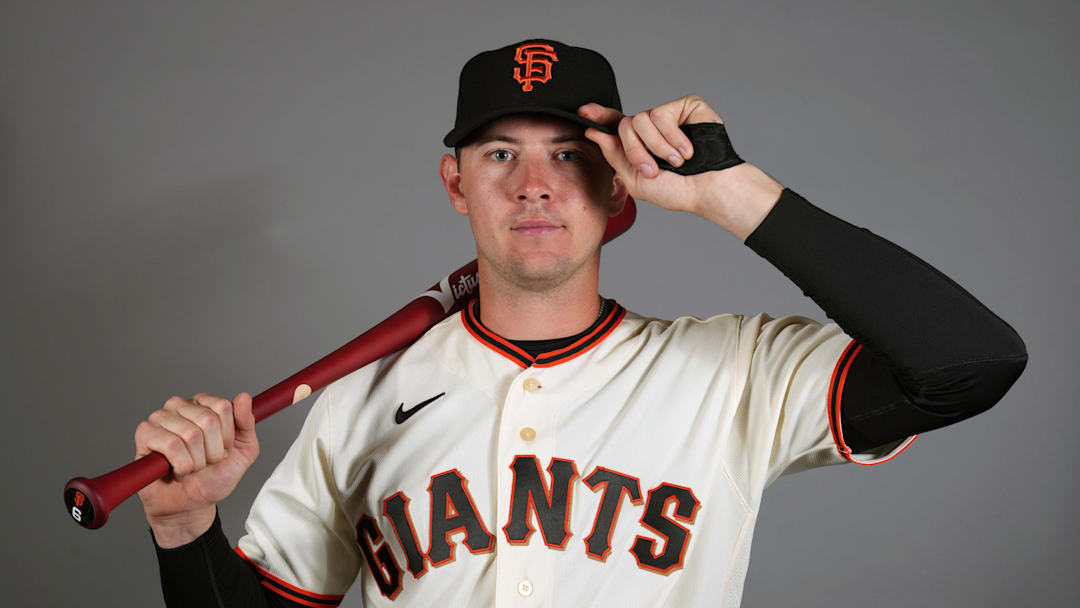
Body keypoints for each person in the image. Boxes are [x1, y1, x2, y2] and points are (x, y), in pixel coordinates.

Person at [134, 39, 1027, 607]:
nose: (534, 183)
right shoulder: (358, 399)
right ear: (457, 184)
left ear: (618, 185)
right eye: (499, 154)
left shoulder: (737, 372)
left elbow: (972, 362)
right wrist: (185, 530)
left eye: (569, 154)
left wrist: (733, 193)